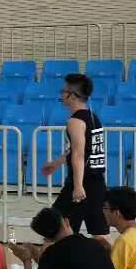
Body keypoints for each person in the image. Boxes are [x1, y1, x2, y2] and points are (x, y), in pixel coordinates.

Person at [40, 73, 110, 247]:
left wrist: (78, 186)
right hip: (97, 183)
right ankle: (107, 262)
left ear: (72, 95)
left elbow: (79, 154)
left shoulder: (75, 121)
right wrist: (56, 163)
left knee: (54, 227)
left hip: (80, 184)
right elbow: (84, 151)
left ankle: (47, 263)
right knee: (99, 234)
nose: (61, 94)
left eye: (63, 91)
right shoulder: (93, 117)